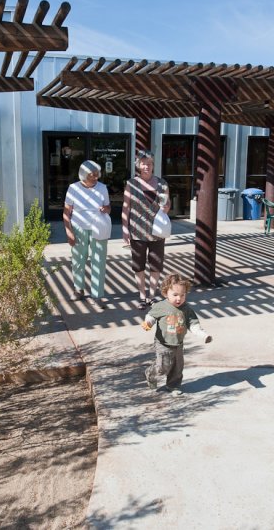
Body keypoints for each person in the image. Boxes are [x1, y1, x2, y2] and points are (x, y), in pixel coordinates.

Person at [141, 273, 212, 395]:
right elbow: (151, 315)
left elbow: (193, 324)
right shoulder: (161, 306)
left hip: (178, 343)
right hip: (163, 343)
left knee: (177, 367)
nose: (179, 298)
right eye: (175, 295)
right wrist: (148, 323)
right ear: (165, 293)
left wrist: (203, 335)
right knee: (163, 367)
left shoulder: (186, 309)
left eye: (182, 295)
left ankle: (173, 385)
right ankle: (150, 373)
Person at [122, 150, 171, 310]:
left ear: (153, 165)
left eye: (149, 163)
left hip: (157, 232)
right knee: (139, 265)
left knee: (156, 265)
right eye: (143, 163)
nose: (146, 166)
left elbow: (167, 204)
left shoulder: (162, 183)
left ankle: (152, 295)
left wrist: (166, 207)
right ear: (138, 166)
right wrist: (125, 230)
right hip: (137, 232)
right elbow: (126, 207)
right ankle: (142, 296)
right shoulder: (131, 184)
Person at [63, 160, 111, 310]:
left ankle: (98, 295)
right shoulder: (73, 188)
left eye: (97, 175)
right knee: (78, 259)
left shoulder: (103, 188)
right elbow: (66, 212)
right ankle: (79, 289)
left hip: (99, 227)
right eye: (92, 175)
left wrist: (106, 209)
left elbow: (109, 207)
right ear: (83, 175)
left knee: (99, 260)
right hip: (78, 227)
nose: (96, 178)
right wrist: (69, 231)